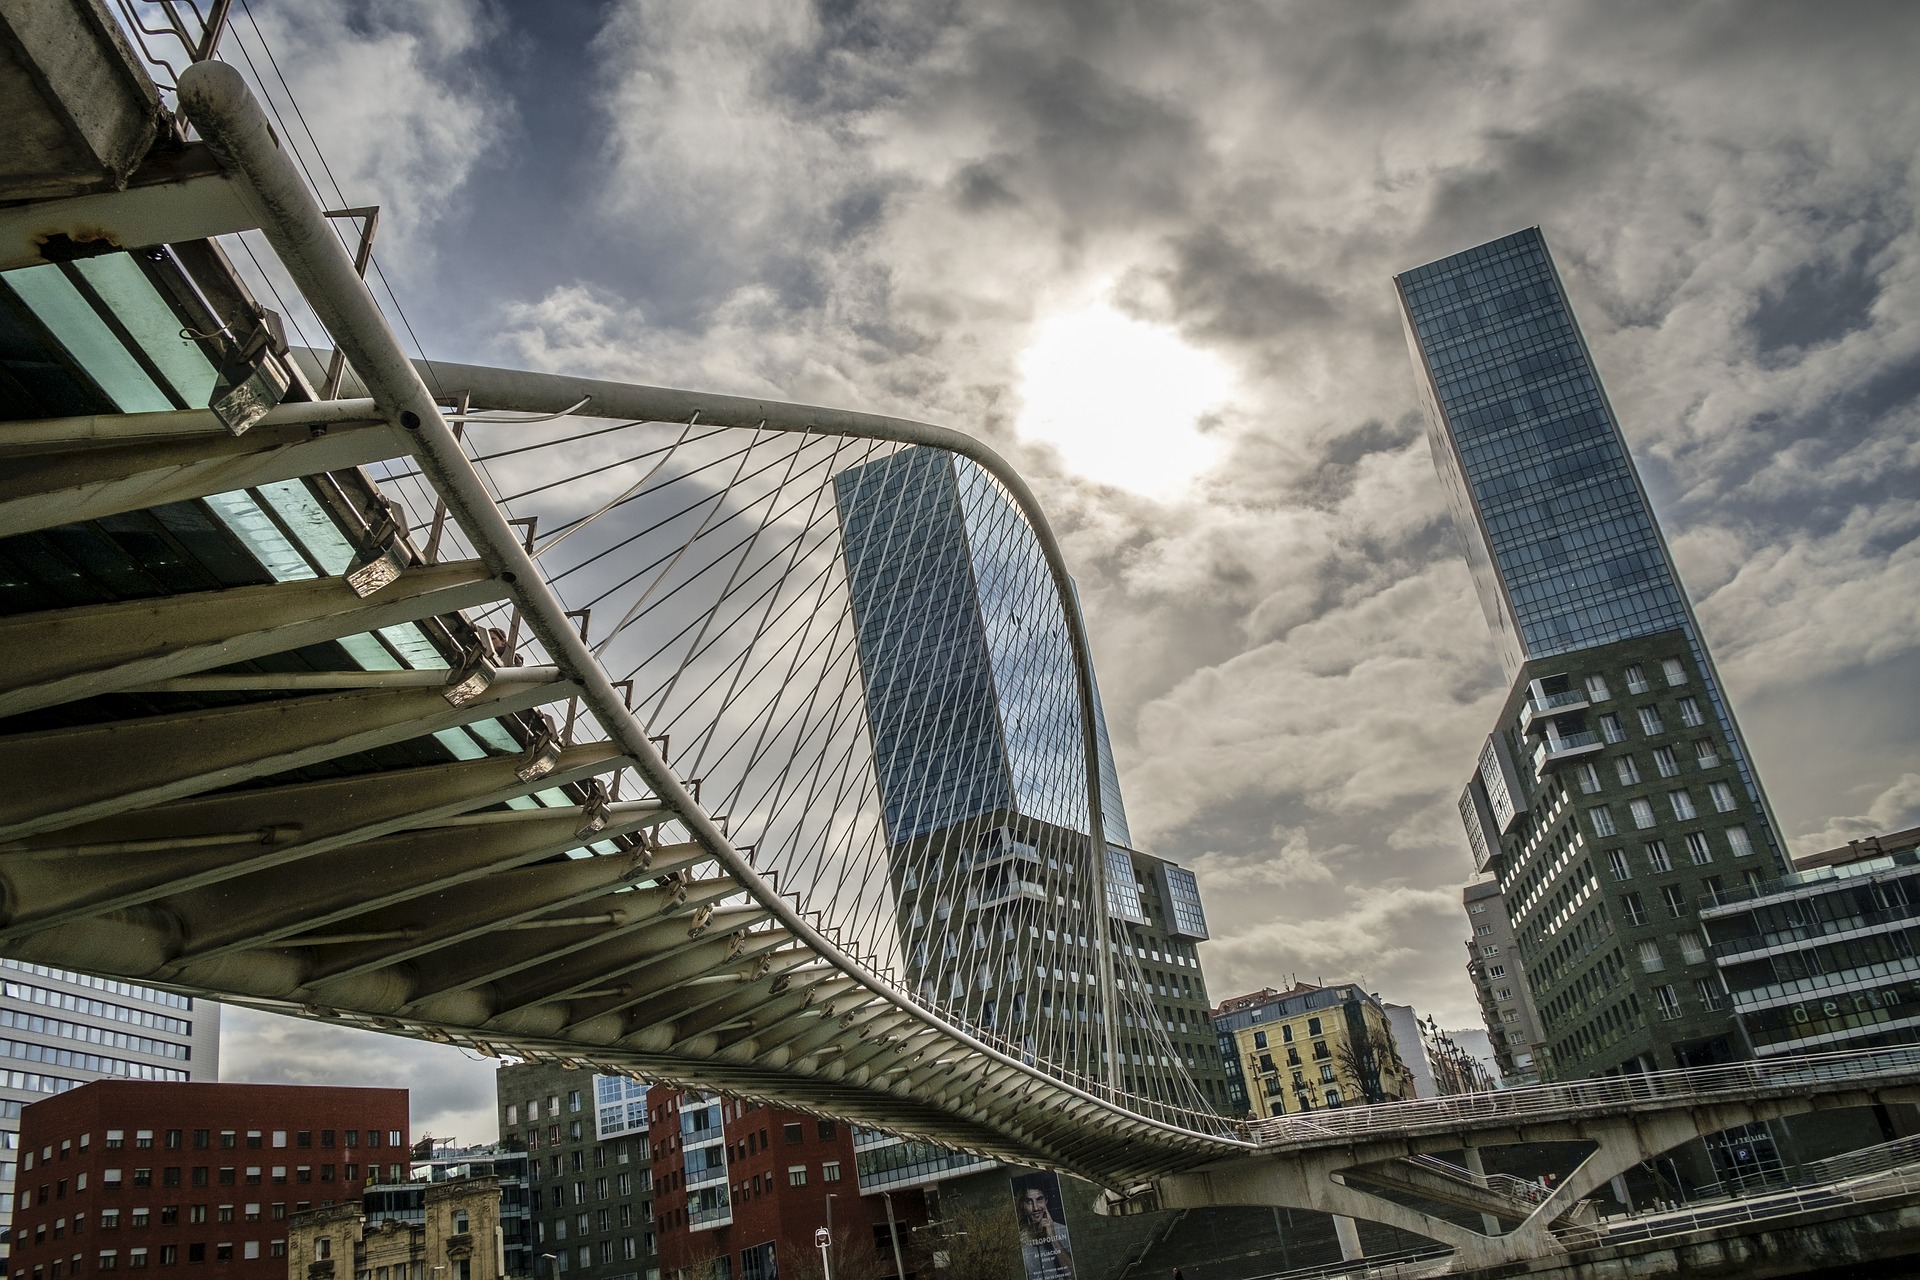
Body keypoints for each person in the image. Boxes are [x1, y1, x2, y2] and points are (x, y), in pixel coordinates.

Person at [1018, 1183, 1075, 1280]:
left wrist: (1053, 1237)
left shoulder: (1063, 1229)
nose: (1035, 1208)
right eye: (1029, 1202)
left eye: (1039, 1200)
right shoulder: (1019, 1240)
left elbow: (1072, 1276)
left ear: (1046, 1200)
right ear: (1023, 1206)